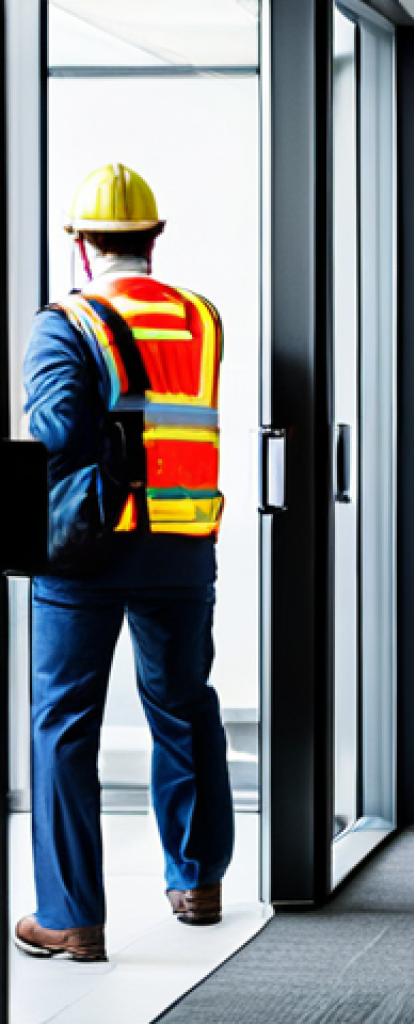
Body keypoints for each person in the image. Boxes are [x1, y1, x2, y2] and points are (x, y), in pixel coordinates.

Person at [14, 164, 233, 963]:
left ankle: (72, 917)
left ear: (79, 243)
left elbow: (60, 428)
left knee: (65, 726)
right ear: (154, 237)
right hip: (181, 542)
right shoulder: (201, 320)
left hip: (86, 550)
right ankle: (199, 880)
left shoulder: (65, 322)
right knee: (182, 706)